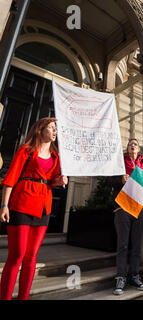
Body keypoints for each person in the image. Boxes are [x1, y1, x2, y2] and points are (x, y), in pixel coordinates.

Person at [0, 118, 68, 300]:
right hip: (21, 203)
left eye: (56, 129)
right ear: (40, 129)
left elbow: (52, 180)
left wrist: (59, 181)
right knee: (18, 255)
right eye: (52, 128)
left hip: (43, 207)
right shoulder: (26, 150)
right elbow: (10, 178)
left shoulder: (56, 156)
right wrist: (4, 205)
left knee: (31, 257)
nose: (55, 131)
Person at [110, 139, 143, 295]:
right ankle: (121, 277)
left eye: (135, 144)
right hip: (123, 208)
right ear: (127, 148)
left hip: (139, 208)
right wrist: (120, 179)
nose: (132, 146)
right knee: (123, 245)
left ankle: (135, 276)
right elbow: (108, 180)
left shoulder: (142, 165)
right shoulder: (120, 163)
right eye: (130, 144)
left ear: (138, 149)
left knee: (137, 245)